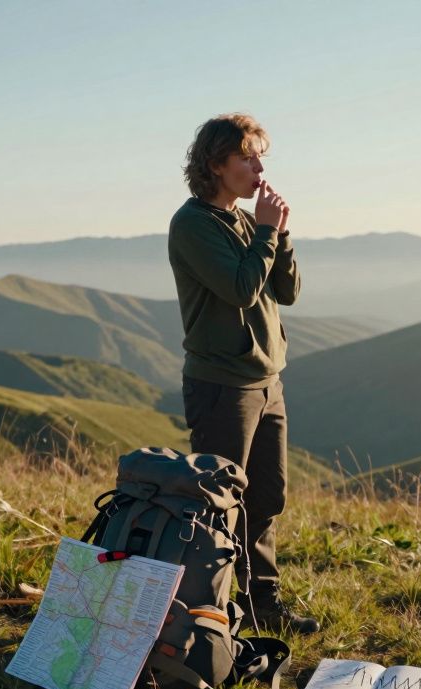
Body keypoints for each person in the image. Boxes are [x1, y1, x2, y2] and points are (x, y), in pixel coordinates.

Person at [166, 113, 319, 634]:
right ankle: (208, 612)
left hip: (265, 380)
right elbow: (239, 288)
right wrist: (267, 232)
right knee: (219, 503)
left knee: (266, 496)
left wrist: (280, 232)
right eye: (247, 157)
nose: (258, 168)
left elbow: (288, 290)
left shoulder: (245, 222)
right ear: (216, 165)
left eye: (260, 157)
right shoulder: (192, 224)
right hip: (221, 385)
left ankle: (262, 604)